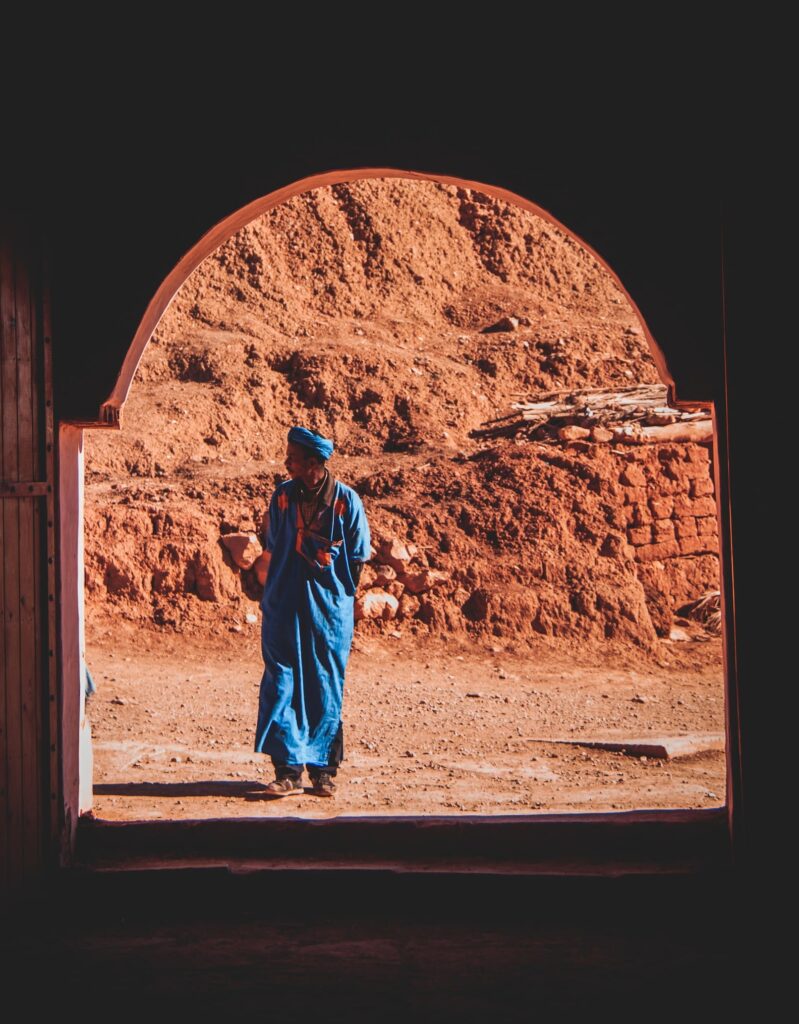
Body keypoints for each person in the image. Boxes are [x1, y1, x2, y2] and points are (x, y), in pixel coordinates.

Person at [254, 426, 371, 798]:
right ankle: (287, 771)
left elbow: (357, 558)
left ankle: (323, 771)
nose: (286, 461)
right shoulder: (282, 497)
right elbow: (275, 546)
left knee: (325, 686)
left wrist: (332, 596)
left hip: (327, 615)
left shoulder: (346, 501)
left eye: (293, 456)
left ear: (313, 462)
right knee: (282, 683)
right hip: (284, 607)